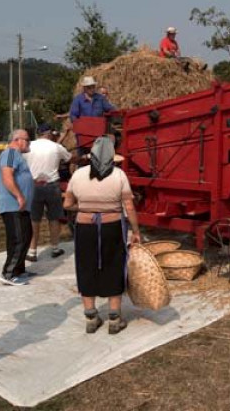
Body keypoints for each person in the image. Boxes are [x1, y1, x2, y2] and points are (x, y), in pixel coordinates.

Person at [63, 136, 141, 335]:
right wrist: (136, 231)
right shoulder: (119, 176)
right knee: (114, 265)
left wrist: (87, 207)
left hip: (85, 228)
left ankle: (91, 317)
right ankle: (114, 318)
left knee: (86, 266)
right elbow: (129, 206)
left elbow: (67, 204)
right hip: (112, 226)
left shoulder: (79, 175)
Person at [25, 124, 73, 261]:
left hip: (33, 185)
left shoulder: (29, 146)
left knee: (34, 219)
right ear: (50, 134)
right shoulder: (56, 147)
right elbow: (69, 158)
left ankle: (32, 251)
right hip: (52, 185)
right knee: (54, 218)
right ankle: (55, 248)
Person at [0, 129, 35, 286]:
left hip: (21, 206)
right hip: (13, 205)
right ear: (18, 140)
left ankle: (19, 269)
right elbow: (7, 176)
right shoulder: (10, 153)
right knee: (18, 238)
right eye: (27, 139)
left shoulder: (18, 156)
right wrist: (19, 196)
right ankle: (8, 273)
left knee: (26, 235)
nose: (29, 143)